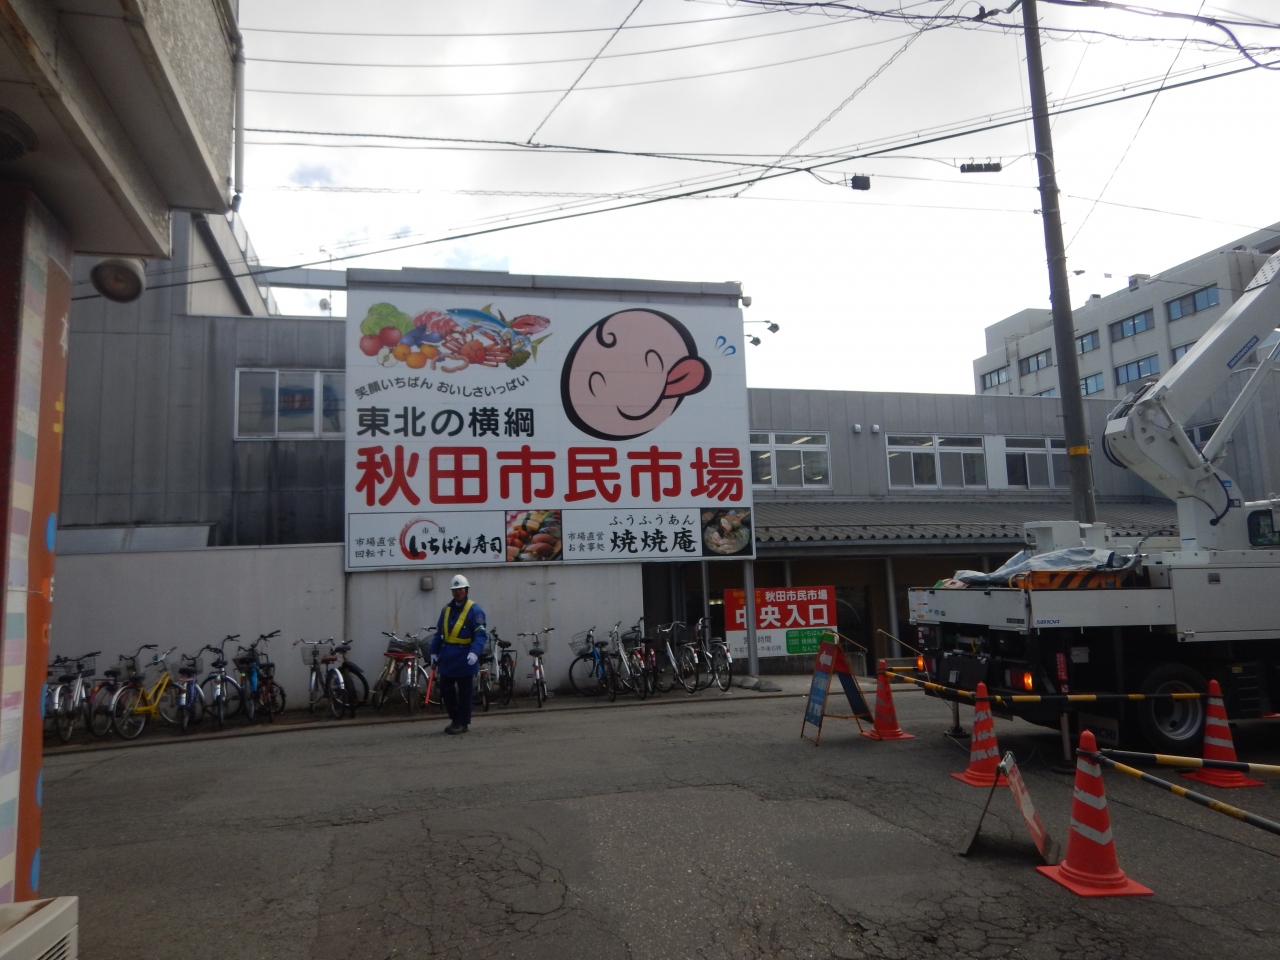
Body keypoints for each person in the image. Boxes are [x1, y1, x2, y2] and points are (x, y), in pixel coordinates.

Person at [428, 573, 489, 734]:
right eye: (455, 590)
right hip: (447, 658)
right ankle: (455, 719)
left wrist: (475, 652)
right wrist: (433, 652)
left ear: (466, 590)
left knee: (464, 694)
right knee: (446, 691)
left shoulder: (475, 610)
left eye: (461, 589)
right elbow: (439, 633)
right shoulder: (446, 610)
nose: (458, 592)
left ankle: (463, 723)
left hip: (465, 657)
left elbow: (481, 634)